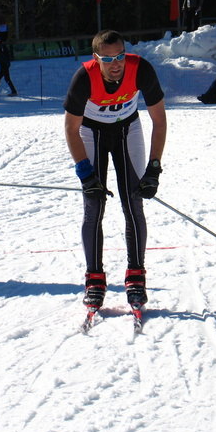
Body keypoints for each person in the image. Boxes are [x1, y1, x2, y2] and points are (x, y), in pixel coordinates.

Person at [63, 30, 167, 311]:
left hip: (127, 130)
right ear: (96, 58)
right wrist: (85, 173)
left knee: (133, 203)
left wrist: (154, 168)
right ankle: (94, 280)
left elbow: (159, 121)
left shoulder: (141, 69)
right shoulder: (84, 77)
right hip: (91, 132)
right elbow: (71, 129)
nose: (116, 64)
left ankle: (136, 277)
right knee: (93, 205)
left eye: (120, 56)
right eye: (107, 59)